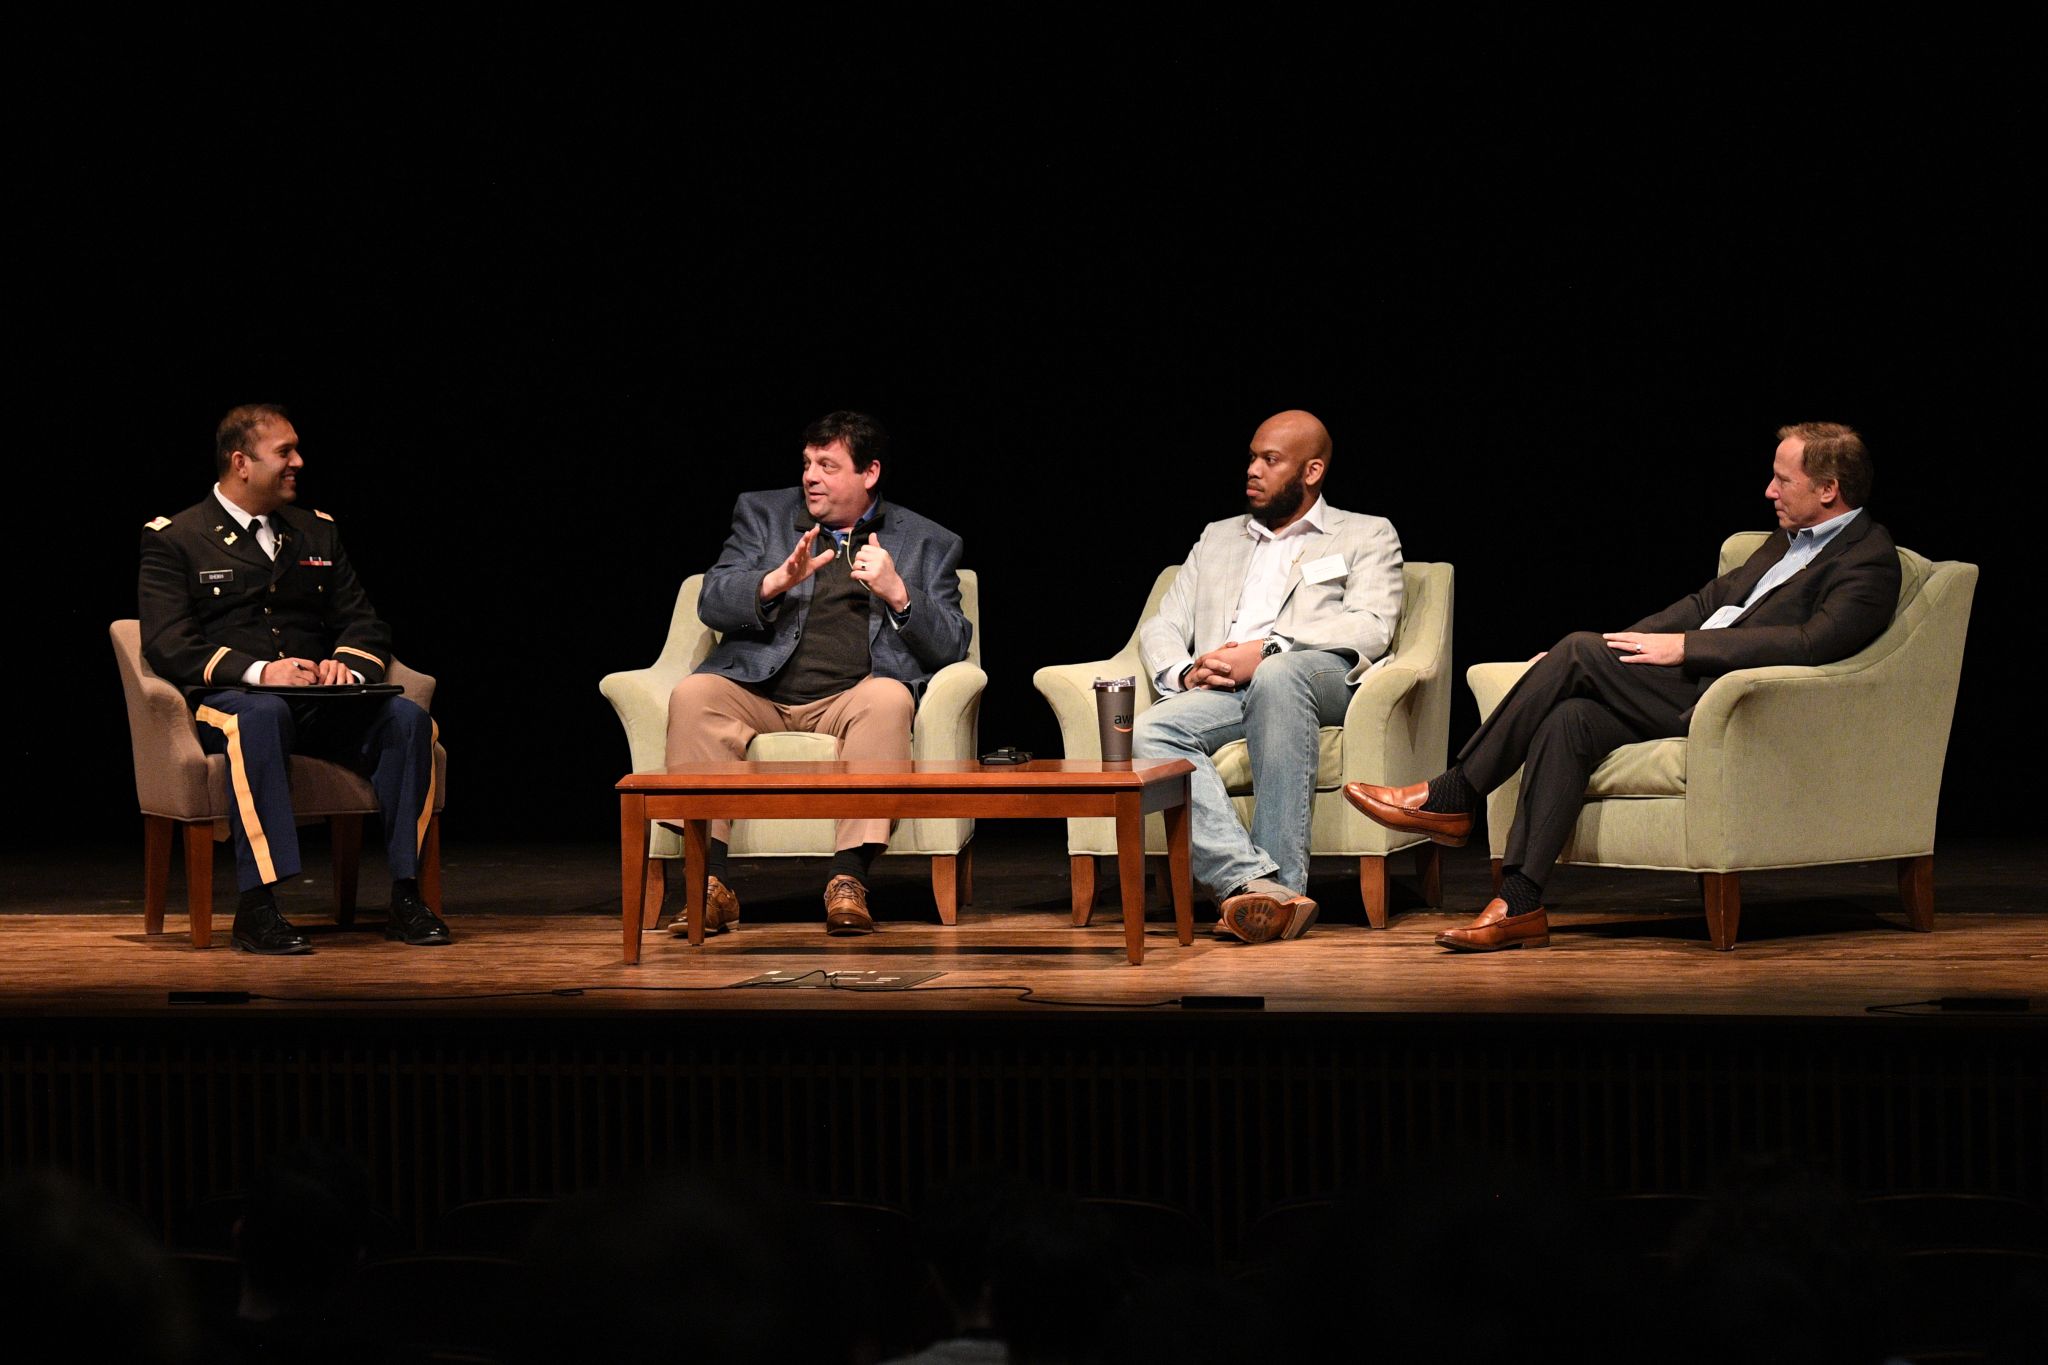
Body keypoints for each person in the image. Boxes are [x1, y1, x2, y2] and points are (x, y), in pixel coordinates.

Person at [1347, 421, 1900, 952]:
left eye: (1784, 479)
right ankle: (1520, 904)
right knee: (1570, 719)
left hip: (1735, 700)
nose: (1769, 490)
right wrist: (1616, 647)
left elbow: (1811, 643)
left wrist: (1683, 648)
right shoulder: (1785, 541)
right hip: (1686, 685)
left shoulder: (1869, 561)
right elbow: (1707, 603)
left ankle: (1455, 794)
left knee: (1576, 650)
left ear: (1829, 489)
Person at [138, 403, 447, 955]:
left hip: (318, 701)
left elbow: (362, 621)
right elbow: (169, 645)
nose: (298, 462)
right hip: (229, 703)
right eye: (285, 452)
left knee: (407, 719)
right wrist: (261, 672)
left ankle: (407, 895)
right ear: (241, 463)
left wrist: (345, 666)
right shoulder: (176, 538)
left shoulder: (315, 532)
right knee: (263, 713)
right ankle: (258, 908)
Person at [665, 411, 972, 935]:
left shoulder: (927, 542)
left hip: (850, 699)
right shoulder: (761, 514)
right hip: (758, 689)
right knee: (695, 694)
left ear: (868, 473)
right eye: (807, 463)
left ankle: (848, 882)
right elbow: (712, 600)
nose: (810, 476)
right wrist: (771, 582)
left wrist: (899, 591)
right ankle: (710, 885)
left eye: (827, 465)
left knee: (891, 699)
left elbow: (952, 644)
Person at [1133, 409, 1404, 944]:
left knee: (1279, 675)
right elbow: (1163, 622)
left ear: (1312, 471)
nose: (1252, 470)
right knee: (1149, 733)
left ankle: (1282, 876)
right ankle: (1257, 886)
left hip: (1320, 676)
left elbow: (1371, 626)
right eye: (1252, 457)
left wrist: (1269, 649)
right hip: (1228, 689)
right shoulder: (1218, 538)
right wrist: (1186, 672)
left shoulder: (1364, 533)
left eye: (1271, 460)